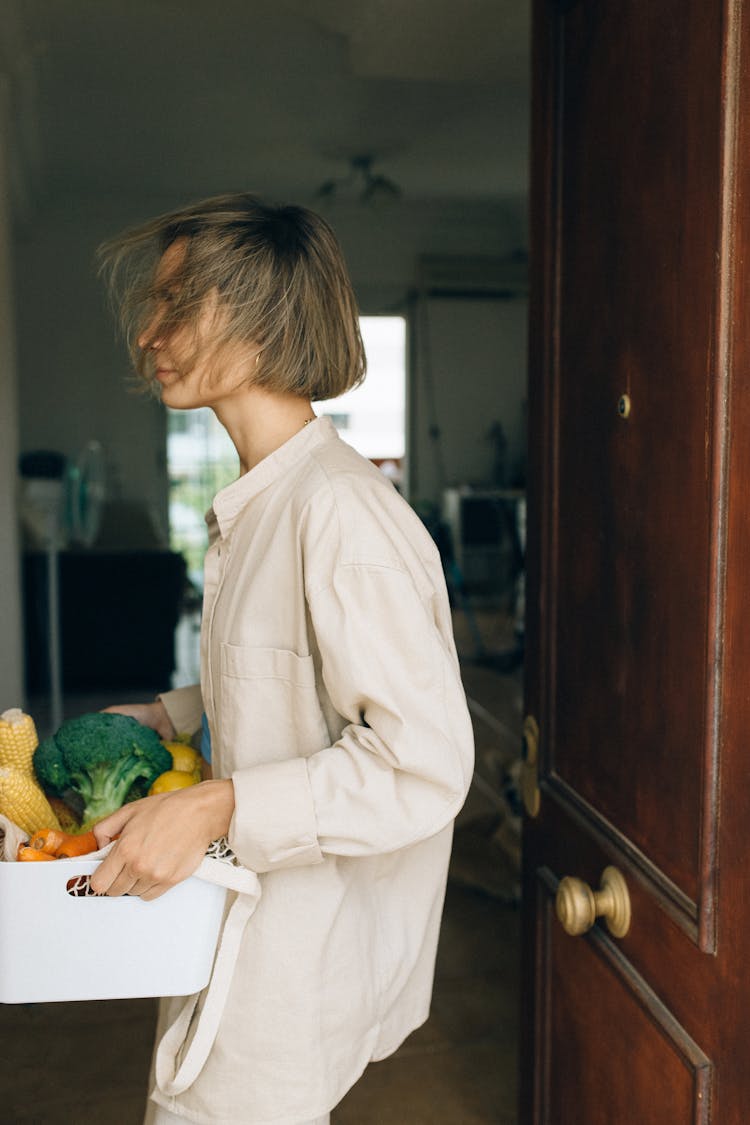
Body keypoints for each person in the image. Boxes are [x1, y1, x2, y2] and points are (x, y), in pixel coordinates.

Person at [92, 193, 475, 1125]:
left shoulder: (338, 514)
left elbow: (424, 760)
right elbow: (286, 672)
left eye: (178, 304)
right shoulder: (270, 500)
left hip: (284, 973)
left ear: (262, 318)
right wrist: (171, 715)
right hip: (234, 936)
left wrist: (220, 801)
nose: (150, 331)